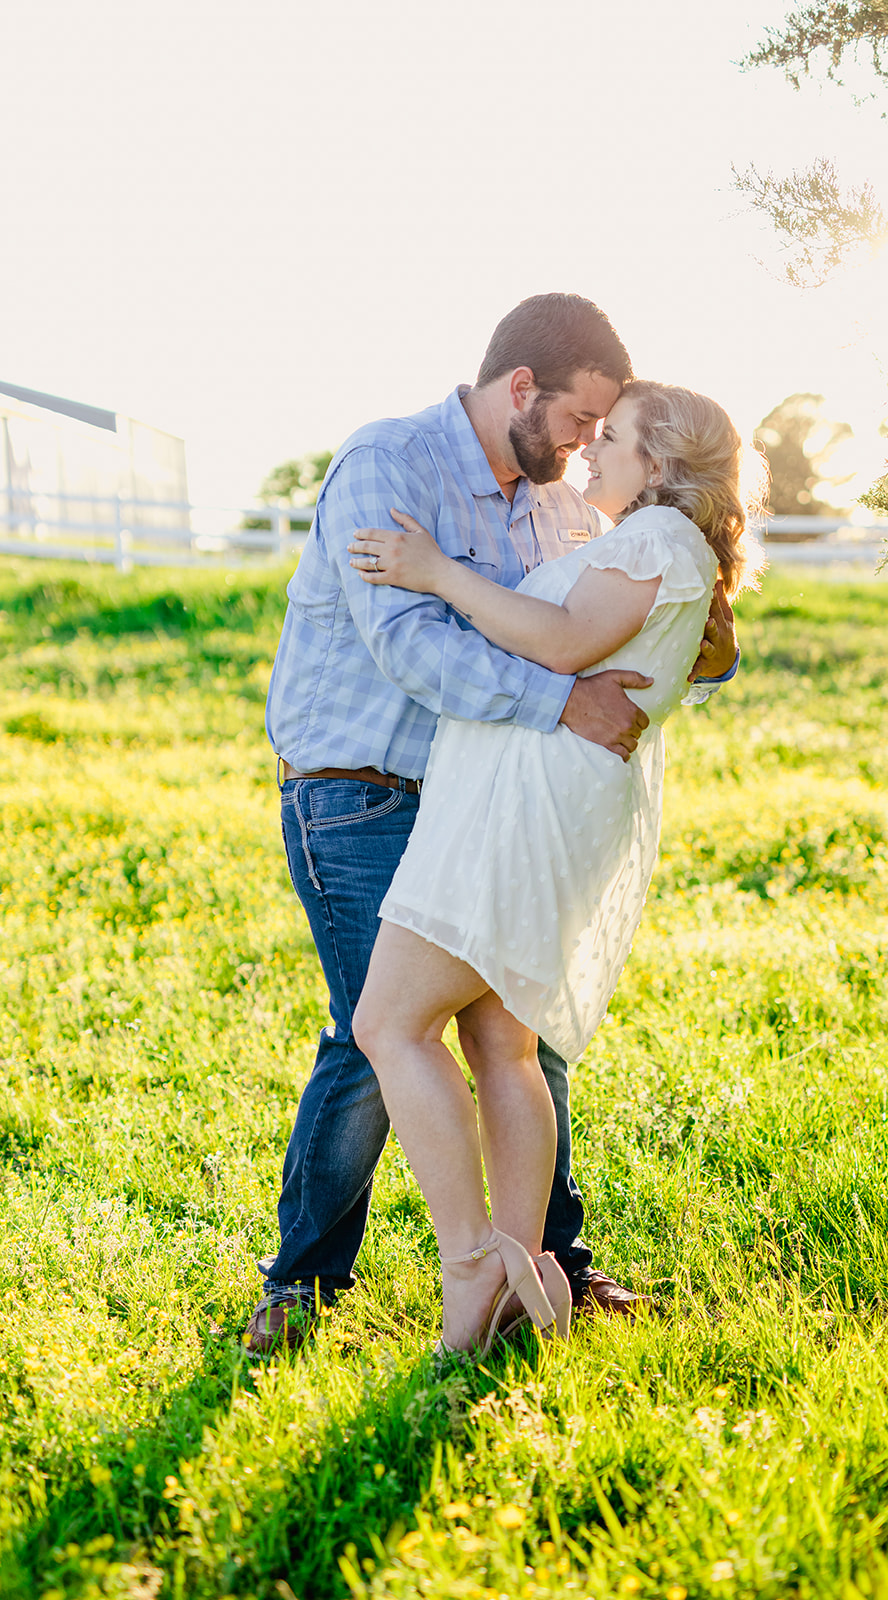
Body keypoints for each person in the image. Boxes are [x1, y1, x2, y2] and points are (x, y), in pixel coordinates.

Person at [247, 296, 740, 1355]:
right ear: (524, 389)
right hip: (362, 785)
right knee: (371, 1032)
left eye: (604, 432)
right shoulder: (390, 464)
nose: (581, 445)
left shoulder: (567, 505)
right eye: (579, 421)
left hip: (492, 804)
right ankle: (304, 1279)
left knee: (505, 1036)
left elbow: (646, 617)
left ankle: (531, 1265)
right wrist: (564, 695)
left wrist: (668, 649)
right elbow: (412, 650)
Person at [349, 380, 763, 1353]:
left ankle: (476, 1262)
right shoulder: (652, 546)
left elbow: (566, 640)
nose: (591, 453)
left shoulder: (659, 540)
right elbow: (664, 652)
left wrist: (433, 571)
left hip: (520, 817)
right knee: (503, 1044)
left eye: (611, 439)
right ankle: (523, 1269)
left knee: (388, 1022)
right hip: (538, 808)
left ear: (658, 466)